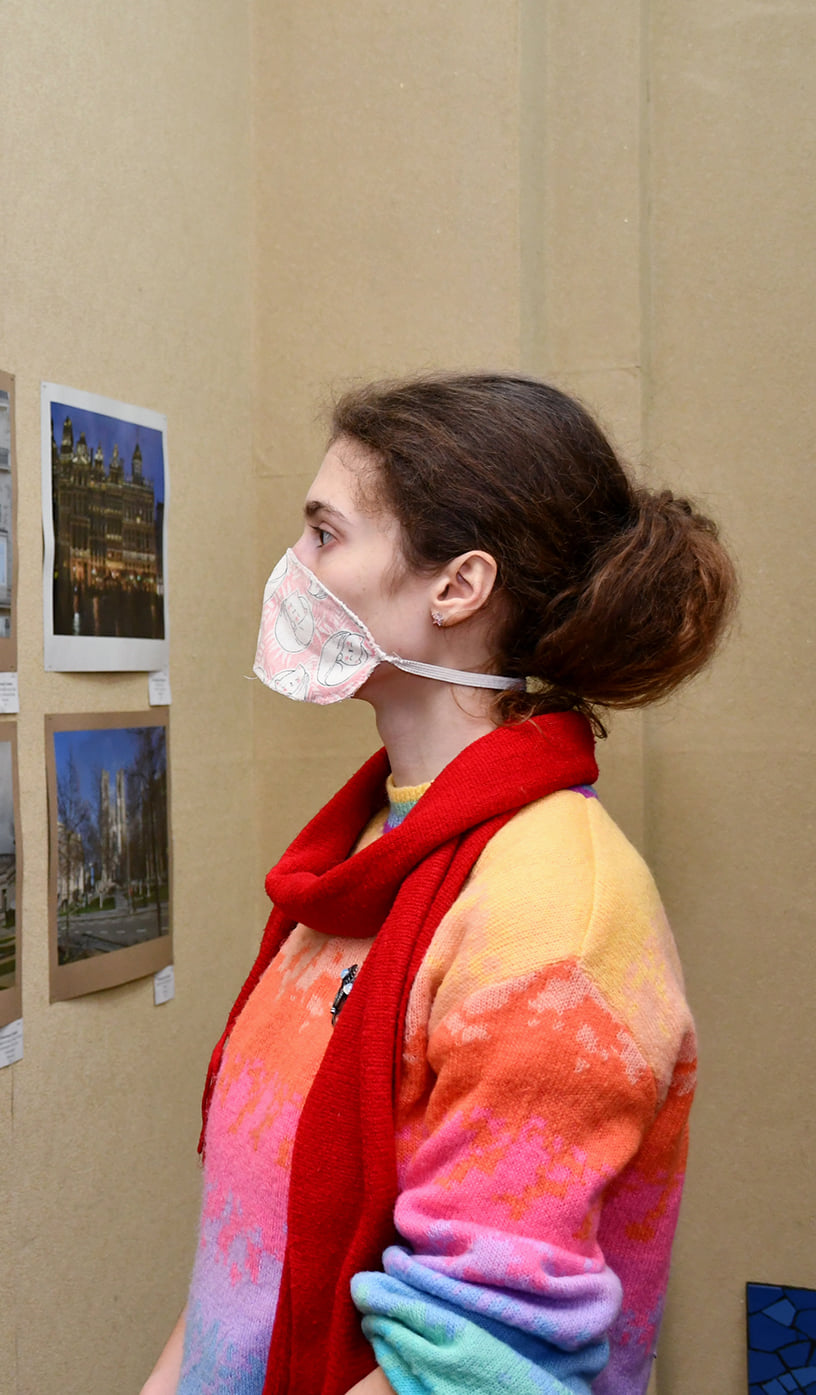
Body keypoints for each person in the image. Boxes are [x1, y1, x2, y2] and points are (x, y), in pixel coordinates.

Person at [144, 375, 734, 1395]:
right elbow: (244, 1267)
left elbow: (480, 1367)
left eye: (324, 535)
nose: (291, 570)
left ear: (455, 588)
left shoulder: (557, 910)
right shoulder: (371, 850)